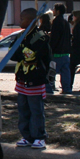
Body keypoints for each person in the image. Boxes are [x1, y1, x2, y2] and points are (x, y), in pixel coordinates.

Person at [10, 8, 53, 149]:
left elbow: (37, 54)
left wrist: (24, 53)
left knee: (36, 110)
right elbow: (14, 53)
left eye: (22, 18)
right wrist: (23, 53)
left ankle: (39, 136)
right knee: (23, 109)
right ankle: (26, 136)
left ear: (31, 20)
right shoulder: (21, 35)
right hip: (22, 78)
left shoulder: (40, 37)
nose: (20, 21)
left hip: (35, 78)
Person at [49, 4, 72, 94]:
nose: (53, 11)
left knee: (51, 72)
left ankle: (49, 89)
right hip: (65, 53)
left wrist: (51, 48)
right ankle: (67, 89)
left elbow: (55, 38)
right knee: (65, 73)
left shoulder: (56, 22)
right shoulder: (66, 23)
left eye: (54, 10)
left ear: (58, 11)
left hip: (57, 53)